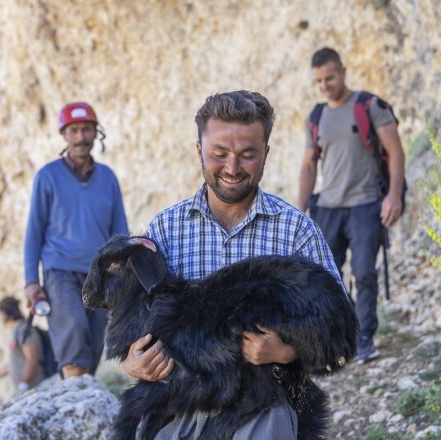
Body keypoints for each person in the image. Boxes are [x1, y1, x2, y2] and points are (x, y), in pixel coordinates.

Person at [124, 90, 345, 439]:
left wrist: (287, 351)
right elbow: (134, 326)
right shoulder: (164, 231)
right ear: (199, 150)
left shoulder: (297, 233)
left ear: (266, 153)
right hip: (181, 408)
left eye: (247, 155)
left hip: (264, 407)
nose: (232, 168)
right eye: (219, 153)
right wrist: (133, 361)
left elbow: (339, 333)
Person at [297, 47, 406, 363]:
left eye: (330, 77)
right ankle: (341, 336)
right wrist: (299, 209)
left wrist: (394, 196)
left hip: (365, 204)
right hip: (328, 206)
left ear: (343, 71)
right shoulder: (316, 117)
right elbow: (308, 166)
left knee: (364, 272)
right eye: (318, 80)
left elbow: (396, 151)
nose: (325, 85)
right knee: (327, 277)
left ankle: (364, 339)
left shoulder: (369, 106)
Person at [23, 101, 130, 379]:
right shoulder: (47, 177)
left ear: (96, 133)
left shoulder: (107, 178)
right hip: (60, 270)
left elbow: (120, 230)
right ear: (64, 135)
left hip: (100, 273)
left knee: (96, 341)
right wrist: (31, 282)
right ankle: (73, 391)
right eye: (75, 130)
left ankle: (80, 390)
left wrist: (122, 270)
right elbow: (34, 232)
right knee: (72, 327)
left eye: (87, 129)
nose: (81, 136)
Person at [0, 297, 46, 394]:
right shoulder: (16, 331)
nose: (0, 317)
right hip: (26, 390)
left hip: (35, 387)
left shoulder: (25, 330)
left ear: (6, 313)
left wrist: (24, 383)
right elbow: (14, 363)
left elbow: (32, 359)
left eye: (1, 313)